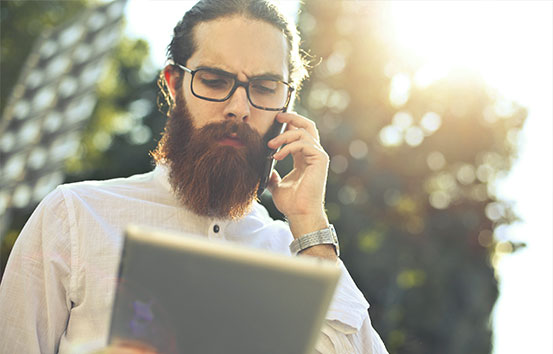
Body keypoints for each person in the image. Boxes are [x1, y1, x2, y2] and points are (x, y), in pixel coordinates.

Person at [0, 0, 388, 353]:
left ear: (286, 103)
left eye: (265, 87)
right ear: (173, 85)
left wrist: (310, 224)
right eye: (214, 81)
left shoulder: (297, 251)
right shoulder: (75, 217)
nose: (239, 108)